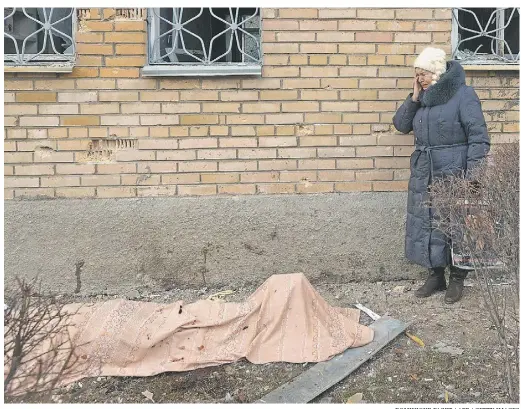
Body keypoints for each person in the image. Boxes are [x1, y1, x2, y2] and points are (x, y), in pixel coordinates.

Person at [392, 47, 490, 304]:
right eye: (416, 75)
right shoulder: (420, 98)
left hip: (454, 170)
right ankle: (436, 276)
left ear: (436, 72)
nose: (419, 79)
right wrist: (413, 98)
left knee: (456, 225)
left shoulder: (463, 95)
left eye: (422, 74)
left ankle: (457, 279)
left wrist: (474, 177)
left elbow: (478, 138)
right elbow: (401, 125)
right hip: (425, 172)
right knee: (427, 223)